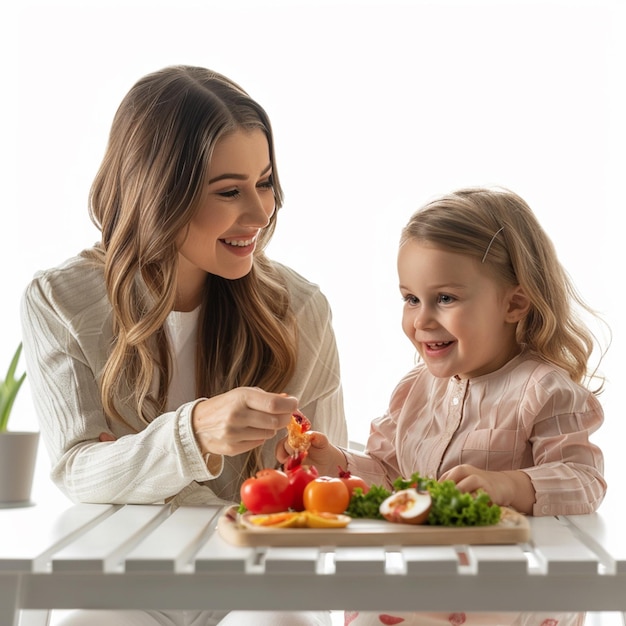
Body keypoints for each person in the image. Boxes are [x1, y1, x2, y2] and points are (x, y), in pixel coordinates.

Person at [21, 65, 347, 626]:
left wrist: (133, 466)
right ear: (159, 193)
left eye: (265, 182)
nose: (261, 212)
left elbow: (319, 492)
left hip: (262, 586)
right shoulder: (61, 301)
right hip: (131, 582)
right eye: (229, 191)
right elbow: (79, 474)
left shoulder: (300, 308)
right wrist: (192, 433)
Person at [278, 187, 608, 626]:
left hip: (510, 591)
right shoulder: (414, 389)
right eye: (410, 299)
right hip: (421, 582)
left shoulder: (544, 389)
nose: (422, 320)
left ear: (514, 302)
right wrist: (334, 460)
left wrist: (509, 485)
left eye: (445, 299)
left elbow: (584, 482)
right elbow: (393, 478)